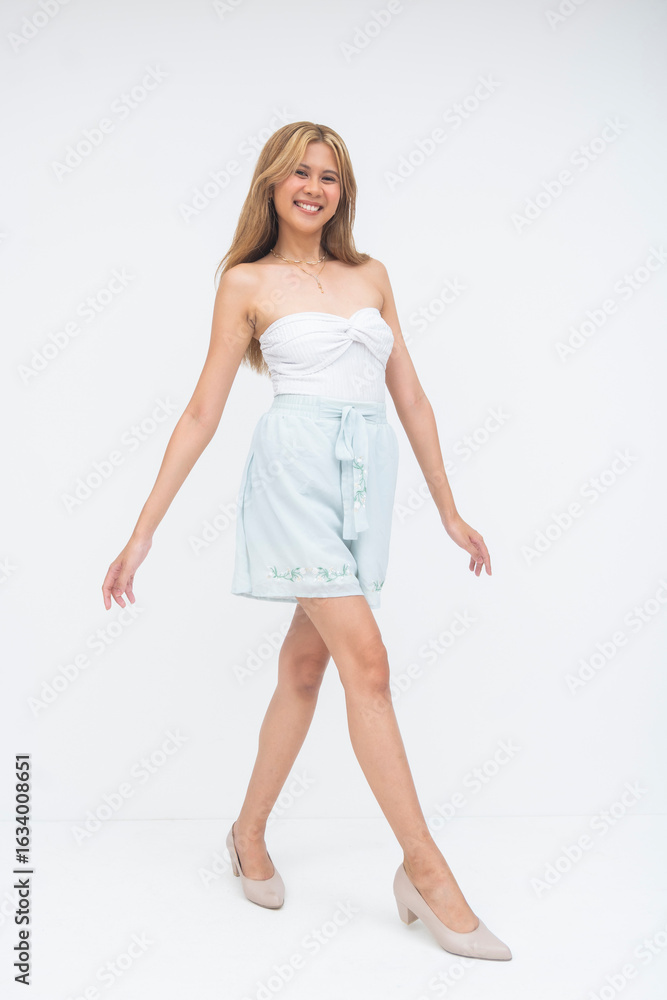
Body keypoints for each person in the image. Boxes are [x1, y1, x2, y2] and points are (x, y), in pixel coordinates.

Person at [101, 121, 512, 961]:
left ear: (341, 192)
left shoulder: (372, 275)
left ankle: (246, 833)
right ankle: (425, 872)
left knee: (303, 668)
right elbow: (202, 411)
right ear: (270, 184)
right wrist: (141, 533)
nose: (313, 187)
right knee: (369, 664)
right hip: (291, 479)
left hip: (364, 481)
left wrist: (448, 508)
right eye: (298, 172)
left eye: (328, 175)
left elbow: (411, 397)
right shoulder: (245, 282)